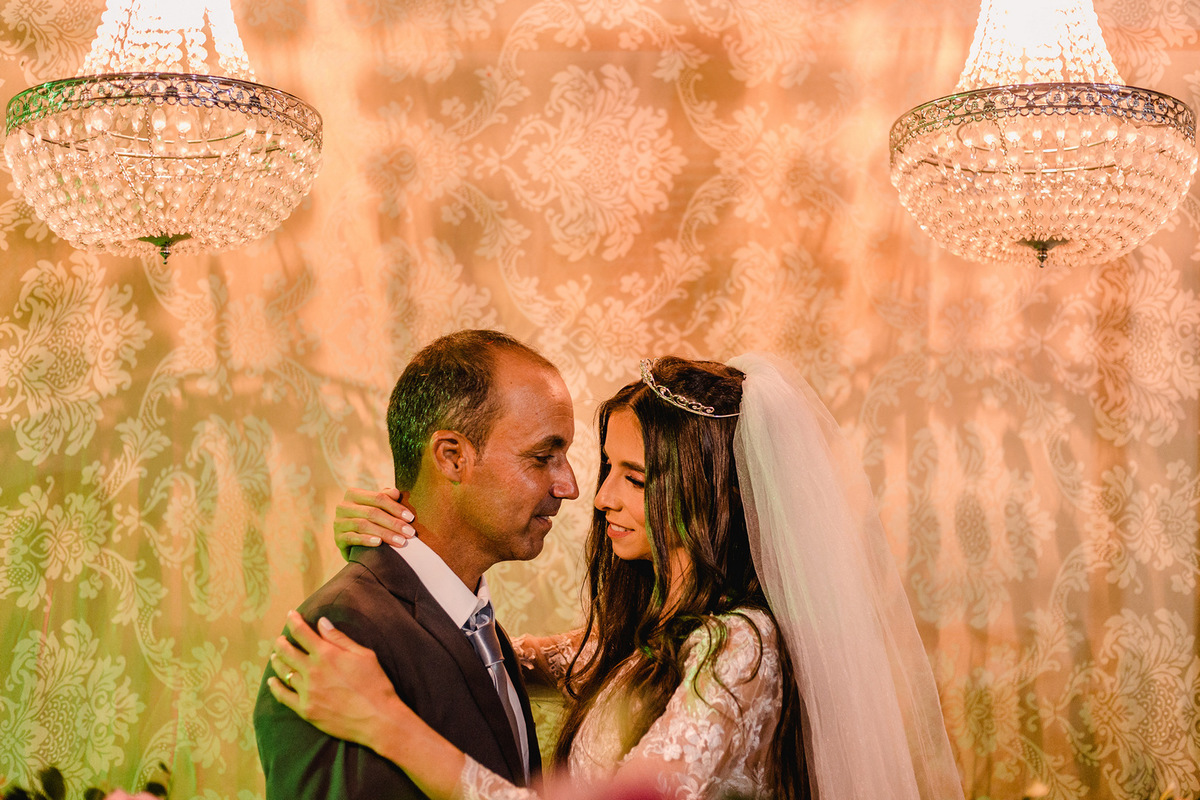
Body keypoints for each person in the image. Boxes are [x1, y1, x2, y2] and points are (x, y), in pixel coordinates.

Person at [268, 355, 965, 800]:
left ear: (707, 493)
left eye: (633, 478)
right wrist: (400, 556)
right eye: (607, 470)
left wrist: (387, 723)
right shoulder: (653, 638)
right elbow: (491, 651)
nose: (595, 497)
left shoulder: (738, 647)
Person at [253, 329, 580, 799]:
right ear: (452, 458)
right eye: (543, 457)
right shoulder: (341, 635)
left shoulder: (477, 626)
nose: (568, 485)